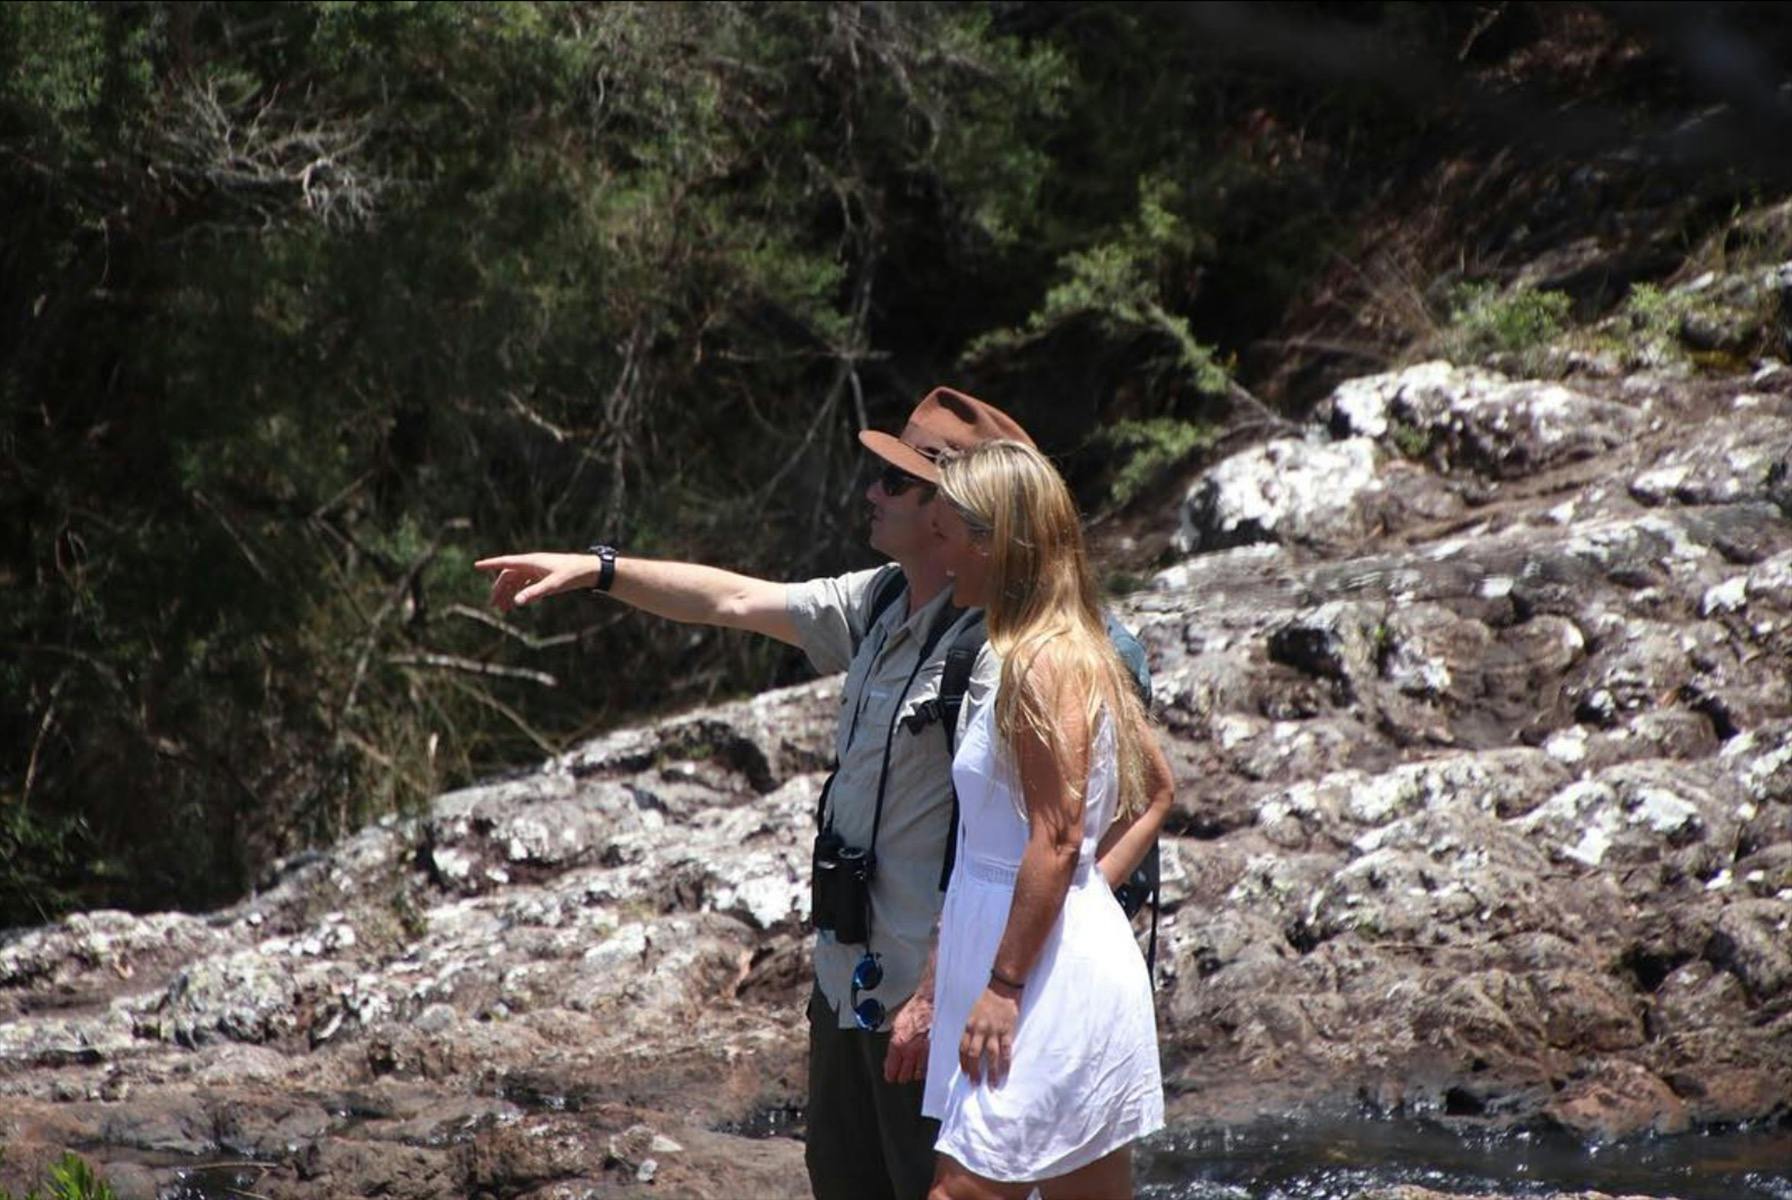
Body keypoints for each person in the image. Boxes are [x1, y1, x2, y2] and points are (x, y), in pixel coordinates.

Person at [474, 388, 1032, 1200]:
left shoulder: (1000, 647)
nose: (870, 493)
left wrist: (945, 990)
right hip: (847, 983)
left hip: (928, 1002)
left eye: (893, 482)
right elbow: (732, 598)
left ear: (951, 506)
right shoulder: (877, 600)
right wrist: (597, 570)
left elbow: (1008, 840)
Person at [921, 439, 1173, 1200]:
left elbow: (1057, 835)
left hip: (1041, 976)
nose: (937, 554)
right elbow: (1158, 788)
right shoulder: (1059, 644)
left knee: (960, 1192)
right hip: (1035, 947)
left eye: (947, 534)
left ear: (998, 543)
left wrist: (1004, 984)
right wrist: (1084, 893)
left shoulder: (1042, 659)